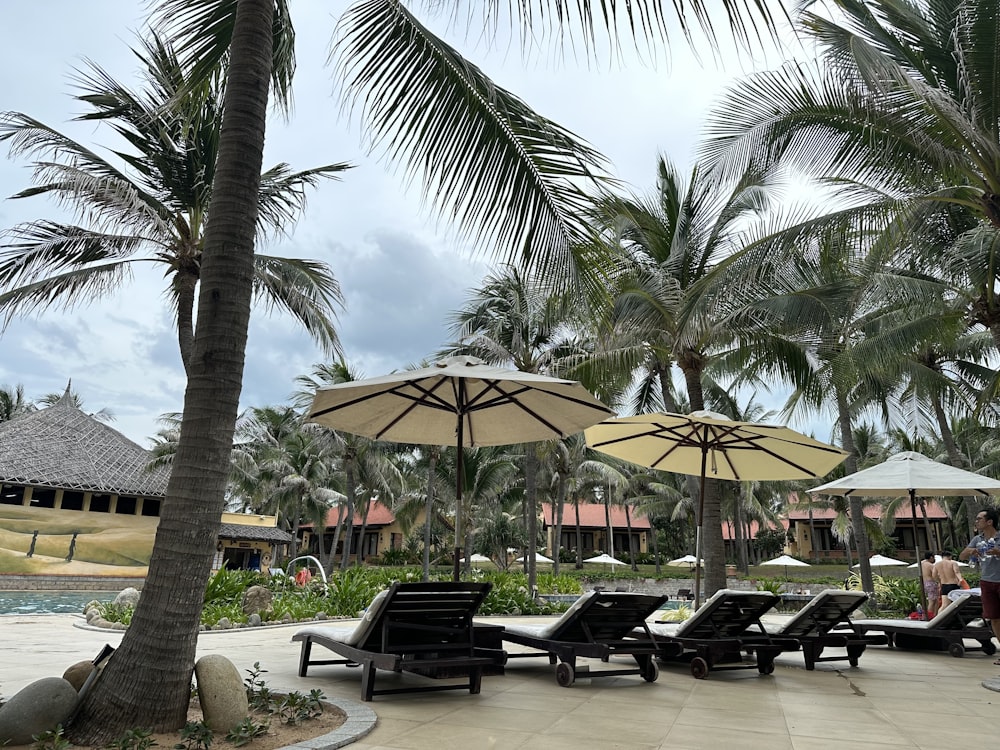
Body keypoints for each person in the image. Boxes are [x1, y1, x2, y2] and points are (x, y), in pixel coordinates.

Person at [960, 507, 1000, 662]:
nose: (976, 521)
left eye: (979, 519)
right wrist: (972, 551)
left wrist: (998, 552)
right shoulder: (978, 539)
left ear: (989, 522)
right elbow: (962, 555)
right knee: (994, 618)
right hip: (987, 582)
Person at [920, 551, 940, 619]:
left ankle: (930, 615)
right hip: (931, 582)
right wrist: (939, 581)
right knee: (932, 601)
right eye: (934, 557)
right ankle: (929, 616)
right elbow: (935, 574)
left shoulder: (922, 564)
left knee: (932, 600)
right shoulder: (930, 565)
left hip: (924, 583)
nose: (934, 559)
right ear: (931, 557)